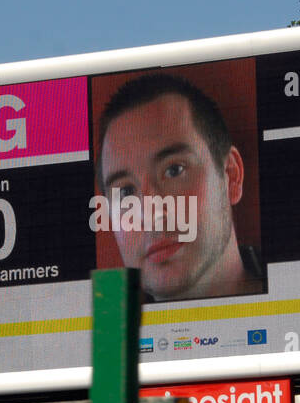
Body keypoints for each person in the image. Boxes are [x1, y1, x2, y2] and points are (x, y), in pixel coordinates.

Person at [96, 72, 265, 302]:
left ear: (231, 176)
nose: (151, 213)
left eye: (174, 170)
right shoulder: (103, 334)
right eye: (126, 192)